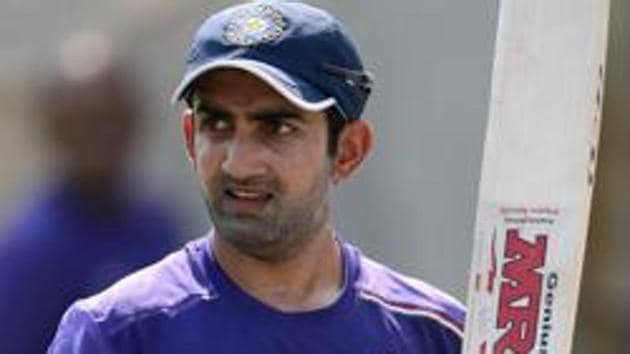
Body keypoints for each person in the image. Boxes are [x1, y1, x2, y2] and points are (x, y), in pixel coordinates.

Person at [48, 2, 465, 353]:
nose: (239, 164)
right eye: (219, 125)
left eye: (277, 128)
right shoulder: (116, 333)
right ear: (191, 138)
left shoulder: (435, 335)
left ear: (348, 152)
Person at [0, 31, 180, 354]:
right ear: (55, 127)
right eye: (83, 121)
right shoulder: (29, 250)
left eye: (111, 119)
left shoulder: (156, 223)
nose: (101, 136)